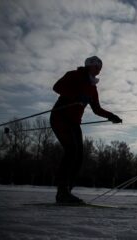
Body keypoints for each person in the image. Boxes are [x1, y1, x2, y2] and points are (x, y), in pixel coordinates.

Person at [50, 56, 122, 204]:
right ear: (88, 65)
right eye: (96, 66)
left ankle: (67, 191)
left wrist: (111, 116)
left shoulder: (92, 88)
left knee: (79, 156)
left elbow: (96, 109)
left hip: (74, 123)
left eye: (100, 68)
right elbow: (57, 87)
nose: (98, 70)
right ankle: (62, 192)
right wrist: (76, 95)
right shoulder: (73, 75)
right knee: (71, 151)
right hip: (60, 117)